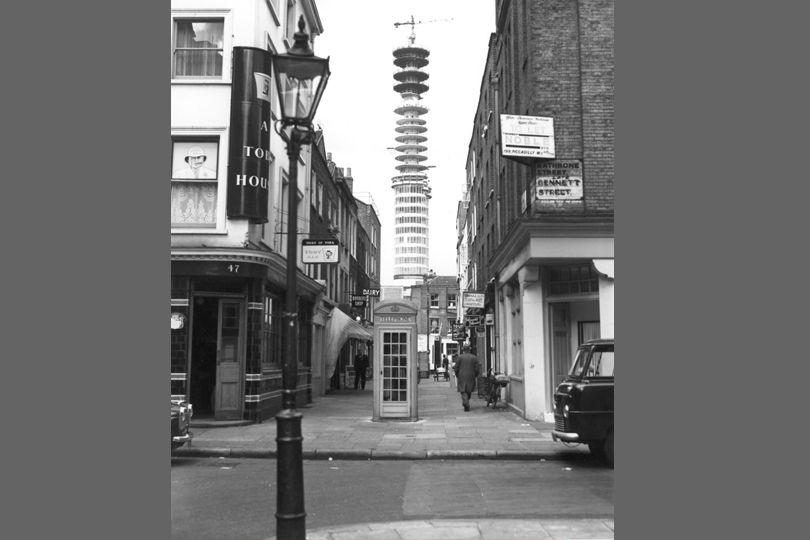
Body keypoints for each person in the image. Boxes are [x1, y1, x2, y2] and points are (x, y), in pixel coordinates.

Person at [453, 345, 480, 411]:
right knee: (468, 390)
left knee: (463, 390)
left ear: (463, 349)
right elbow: (477, 368)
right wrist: (475, 375)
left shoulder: (459, 357)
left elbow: (456, 368)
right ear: (469, 349)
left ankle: (466, 403)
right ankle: (466, 401)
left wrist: (457, 375)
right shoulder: (474, 357)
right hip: (471, 375)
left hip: (461, 375)